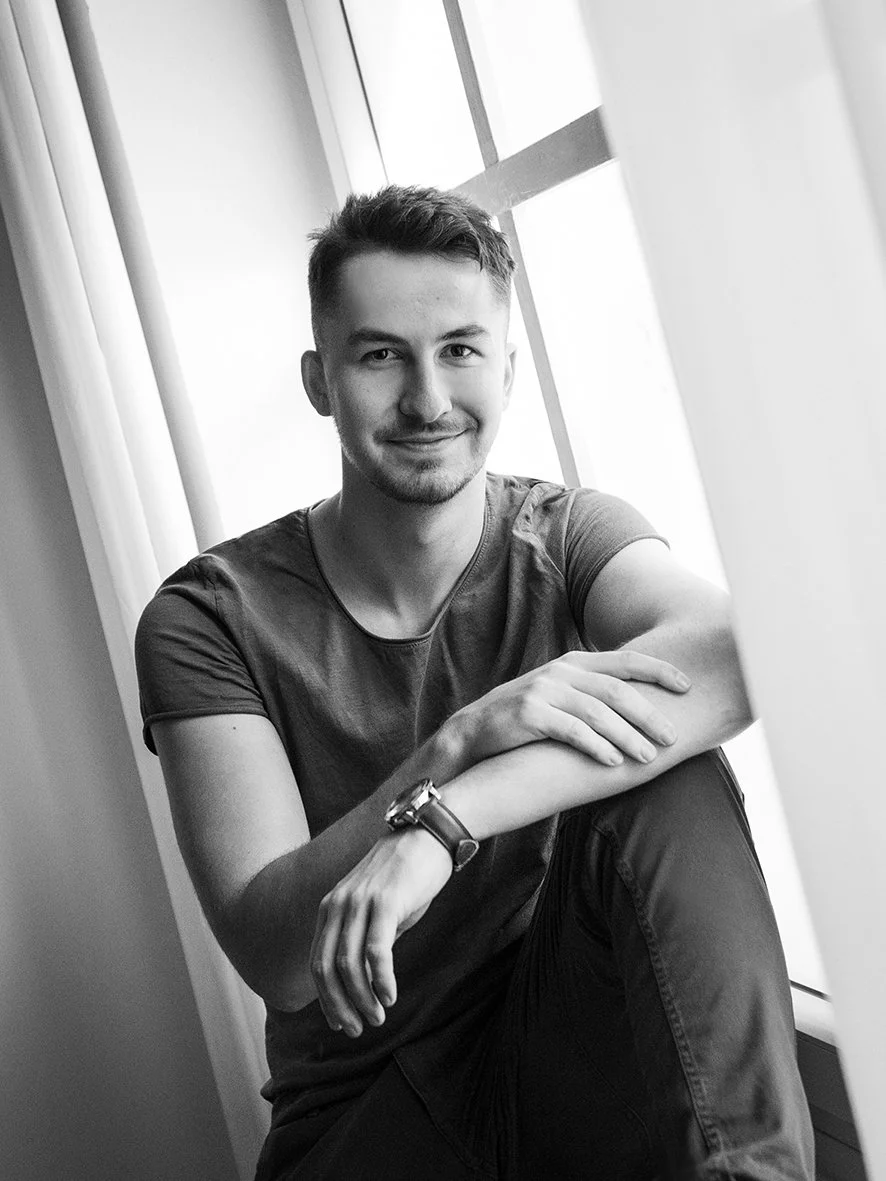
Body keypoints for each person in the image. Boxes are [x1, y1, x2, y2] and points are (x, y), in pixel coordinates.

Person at [135, 184, 814, 1179]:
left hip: (566, 1056)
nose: (426, 400)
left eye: (458, 348)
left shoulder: (567, 533)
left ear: (506, 363)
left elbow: (739, 657)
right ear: (320, 380)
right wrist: (457, 740)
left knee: (667, 765)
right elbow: (278, 956)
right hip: (371, 1119)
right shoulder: (208, 616)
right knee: (638, 735)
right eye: (380, 355)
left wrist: (443, 824)